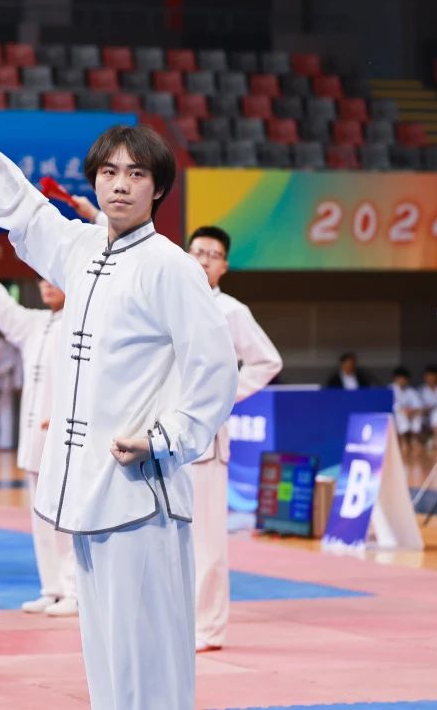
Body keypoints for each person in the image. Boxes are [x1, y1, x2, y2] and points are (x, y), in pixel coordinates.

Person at [0, 91, 238, 709]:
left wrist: (163, 438)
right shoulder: (80, 249)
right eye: (108, 172)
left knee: (147, 646)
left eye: (136, 174)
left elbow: (214, 370)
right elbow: (25, 210)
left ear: (159, 188)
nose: (120, 185)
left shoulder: (172, 266)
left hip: (140, 490)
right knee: (103, 648)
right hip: (84, 485)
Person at [0, 239, 78, 616]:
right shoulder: (37, 324)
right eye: (41, 278)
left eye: (53, 278)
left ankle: (75, 590)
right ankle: (52, 587)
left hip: (68, 436)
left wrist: (66, 413)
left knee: (65, 516)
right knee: (41, 517)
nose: (46, 284)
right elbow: (4, 311)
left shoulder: (82, 324)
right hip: (35, 437)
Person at [186, 224, 282, 653]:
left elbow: (267, 361)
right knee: (168, 540)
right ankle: (176, 623)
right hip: (162, 438)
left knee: (207, 542)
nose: (204, 260)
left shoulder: (231, 310)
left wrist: (224, 394)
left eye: (213, 254)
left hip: (206, 442)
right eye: (198, 251)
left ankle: (208, 628)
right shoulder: (170, 301)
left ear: (224, 265)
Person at [390, 367, 424, 447]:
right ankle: (403, 440)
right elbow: (393, 405)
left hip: (410, 413)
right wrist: (403, 410)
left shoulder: (411, 391)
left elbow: (418, 405)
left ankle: (414, 439)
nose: (402, 381)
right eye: (400, 379)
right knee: (401, 416)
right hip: (395, 414)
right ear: (395, 379)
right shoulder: (390, 389)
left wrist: (412, 411)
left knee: (417, 415)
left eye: (404, 379)